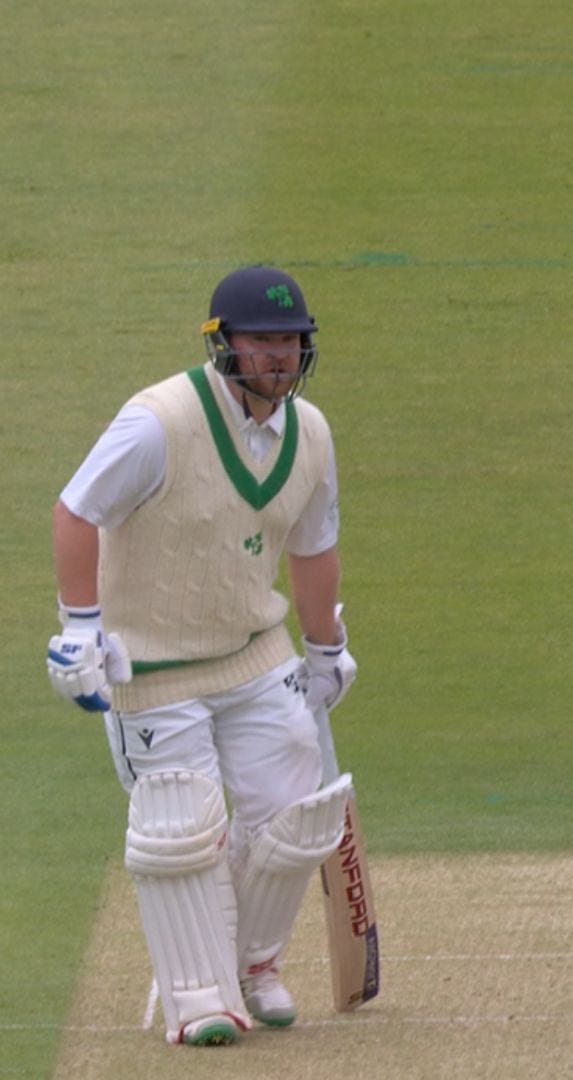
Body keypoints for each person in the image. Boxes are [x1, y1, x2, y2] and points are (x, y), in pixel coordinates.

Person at [47, 265, 358, 1046]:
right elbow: (76, 511)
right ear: (224, 344)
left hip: (253, 653)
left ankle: (254, 963)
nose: (279, 355)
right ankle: (198, 996)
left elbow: (314, 549)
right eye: (262, 340)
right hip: (154, 666)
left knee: (294, 811)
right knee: (183, 828)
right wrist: (79, 629)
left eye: (291, 340)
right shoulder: (160, 421)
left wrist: (326, 649)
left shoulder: (313, 434)